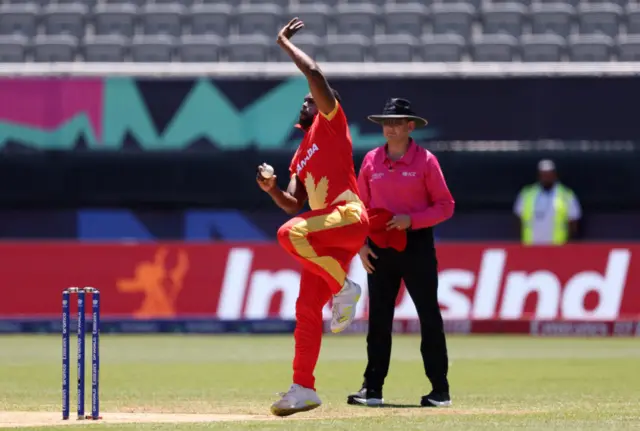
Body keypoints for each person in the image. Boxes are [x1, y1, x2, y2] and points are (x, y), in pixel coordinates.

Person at [256, 17, 369, 417]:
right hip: (327, 235)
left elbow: (315, 73)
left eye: (310, 99)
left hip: (348, 216)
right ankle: (303, 387)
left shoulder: (331, 123)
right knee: (305, 310)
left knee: (288, 235)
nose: (305, 102)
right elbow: (294, 203)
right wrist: (273, 189)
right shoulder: (299, 153)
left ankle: (345, 289)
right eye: (305, 102)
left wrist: (284, 43)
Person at [346, 98, 454, 408]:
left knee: (429, 317)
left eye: (397, 122)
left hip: (417, 245)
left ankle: (440, 391)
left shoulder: (426, 161)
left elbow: (445, 206)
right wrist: (361, 245)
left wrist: (412, 221)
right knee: (378, 319)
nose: (390, 127)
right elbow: (360, 208)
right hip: (379, 248)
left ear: (410, 127)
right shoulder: (370, 160)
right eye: (386, 122)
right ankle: (373, 389)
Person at [514, 159, 582, 245]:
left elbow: (573, 222)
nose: (546, 178)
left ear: (554, 175)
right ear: (539, 176)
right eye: (543, 174)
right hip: (531, 246)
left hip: (557, 247)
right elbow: (518, 219)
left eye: (549, 174)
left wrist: (569, 246)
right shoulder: (527, 194)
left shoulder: (566, 195)